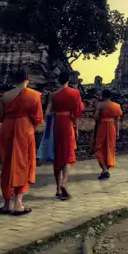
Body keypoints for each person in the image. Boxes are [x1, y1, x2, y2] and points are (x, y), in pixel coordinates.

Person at [0, 68, 43, 216]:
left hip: (7, 129)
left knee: (8, 163)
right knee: (23, 163)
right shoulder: (34, 95)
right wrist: (27, 126)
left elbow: (1, 117)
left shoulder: (5, 96)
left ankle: (6, 204)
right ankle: (18, 204)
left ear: (14, 80)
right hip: (24, 130)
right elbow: (37, 118)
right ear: (27, 79)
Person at [46, 71, 84, 200]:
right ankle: (64, 184)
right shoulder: (75, 93)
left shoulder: (53, 94)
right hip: (68, 124)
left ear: (58, 80)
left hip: (57, 124)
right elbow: (76, 114)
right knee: (68, 155)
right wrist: (76, 129)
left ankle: (57, 189)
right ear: (69, 80)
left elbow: (47, 112)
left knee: (58, 154)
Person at [93, 89, 122, 180]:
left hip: (102, 127)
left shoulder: (100, 104)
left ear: (102, 96)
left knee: (98, 148)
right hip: (112, 128)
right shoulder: (117, 106)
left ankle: (105, 170)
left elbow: (96, 118)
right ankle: (105, 170)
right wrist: (117, 132)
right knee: (109, 148)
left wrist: (98, 109)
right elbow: (117, 121)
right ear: (110, 96)